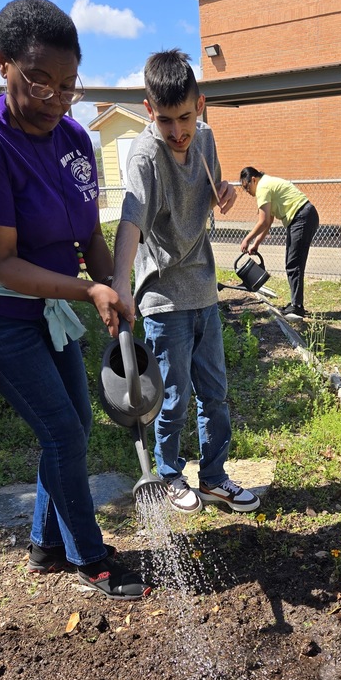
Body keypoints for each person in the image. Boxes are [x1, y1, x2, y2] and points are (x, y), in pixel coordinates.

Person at [0, 0, 150, 602]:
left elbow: (89, 234)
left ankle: (46, 544)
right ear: (2, 63)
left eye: (69, 85)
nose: (57, 98)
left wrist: (115, 292)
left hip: (47, 296)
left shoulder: (74, 138)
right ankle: (90, 556)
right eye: (41, 81)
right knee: (64, 433)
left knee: (73, 424)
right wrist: (86, 289)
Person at [112, 50, 261, 516]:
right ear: (148, 109)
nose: (177, 132)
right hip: (162, 299)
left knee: (214, 394)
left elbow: (215, 188)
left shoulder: (206, 138)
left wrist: (226, 192)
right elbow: (131, 222)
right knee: (173, 398)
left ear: (200, 104)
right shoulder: (145, 158)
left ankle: (214, 478)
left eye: (185, 118)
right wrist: (120, 285)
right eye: (165, 121)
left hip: (204, 289)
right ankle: (171, 473)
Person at [239, 167, 320, 321]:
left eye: (247, 187)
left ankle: (297, 307)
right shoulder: (266, 184)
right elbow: (268, 221)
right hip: (302, 217)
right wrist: (256, 244)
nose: (247, 191)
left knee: (293, 264)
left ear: (254, 180)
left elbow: (262, 221)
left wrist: (247, 239)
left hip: (301, 217)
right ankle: (296, 304)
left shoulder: (263, 187)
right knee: (293, 263)